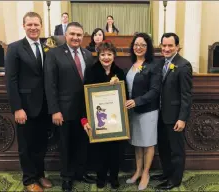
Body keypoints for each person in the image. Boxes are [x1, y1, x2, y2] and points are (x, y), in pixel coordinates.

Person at [44, 22, 95, 192]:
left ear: (83, 36)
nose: (75, 38)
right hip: (63, 111)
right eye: (72, 34)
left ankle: (80, 172)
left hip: (85, 110)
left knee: (82, 143)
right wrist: (55, 110)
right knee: (65, 146)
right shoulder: (54, 54)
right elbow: (50, 85)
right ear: (66, 35)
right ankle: (66, 177)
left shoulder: (88, 55)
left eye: (79, 35)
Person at [5, 12, 52, 192]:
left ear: (41, 26)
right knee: (26, 146)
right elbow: (11, 80)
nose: (33, 28)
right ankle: (29, 180)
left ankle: (40, 174)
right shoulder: (15, 48)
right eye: (30, 24)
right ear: (24, 26)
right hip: (25, 107)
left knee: (41, 144)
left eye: (36, 25)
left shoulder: (45, 47)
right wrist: (17, 108)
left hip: (44, 106)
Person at [81, 41, 126, 189]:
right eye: (103, 54)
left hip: (115, 120)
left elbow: (125, 96)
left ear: (114, 55)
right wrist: (84, 120)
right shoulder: (91, 71)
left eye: (109, 54)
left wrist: (118, 85)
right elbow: (85, 97)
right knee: (100, 151)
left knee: (115, 151)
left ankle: (114, 177)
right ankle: (101, 177)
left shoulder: (120, 72)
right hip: (97, 119)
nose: (106, 57)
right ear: (98, 55)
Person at [152, 32, 193, 190]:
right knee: (163, 147)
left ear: (177, 47)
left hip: (175, 117)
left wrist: (182, 118)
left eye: (170, 45)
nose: (166, 48)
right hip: (161, 115)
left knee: (176, 150)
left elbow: (186, 95)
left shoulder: (183, 65)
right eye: (164, 45)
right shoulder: (161, 63)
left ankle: (175, 179)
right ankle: (166, 173)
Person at [124, 33, 162, 191]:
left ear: (148, 48)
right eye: (136, 44)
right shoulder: (131, 64)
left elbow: (155, 91)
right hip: (133, 111)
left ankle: (146, 173)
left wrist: (137, 101)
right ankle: (138, 171)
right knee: (137, 143)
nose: (138, 47)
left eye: (143, 45)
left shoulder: (153, 65)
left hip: (148, 110)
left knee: (148, 143)